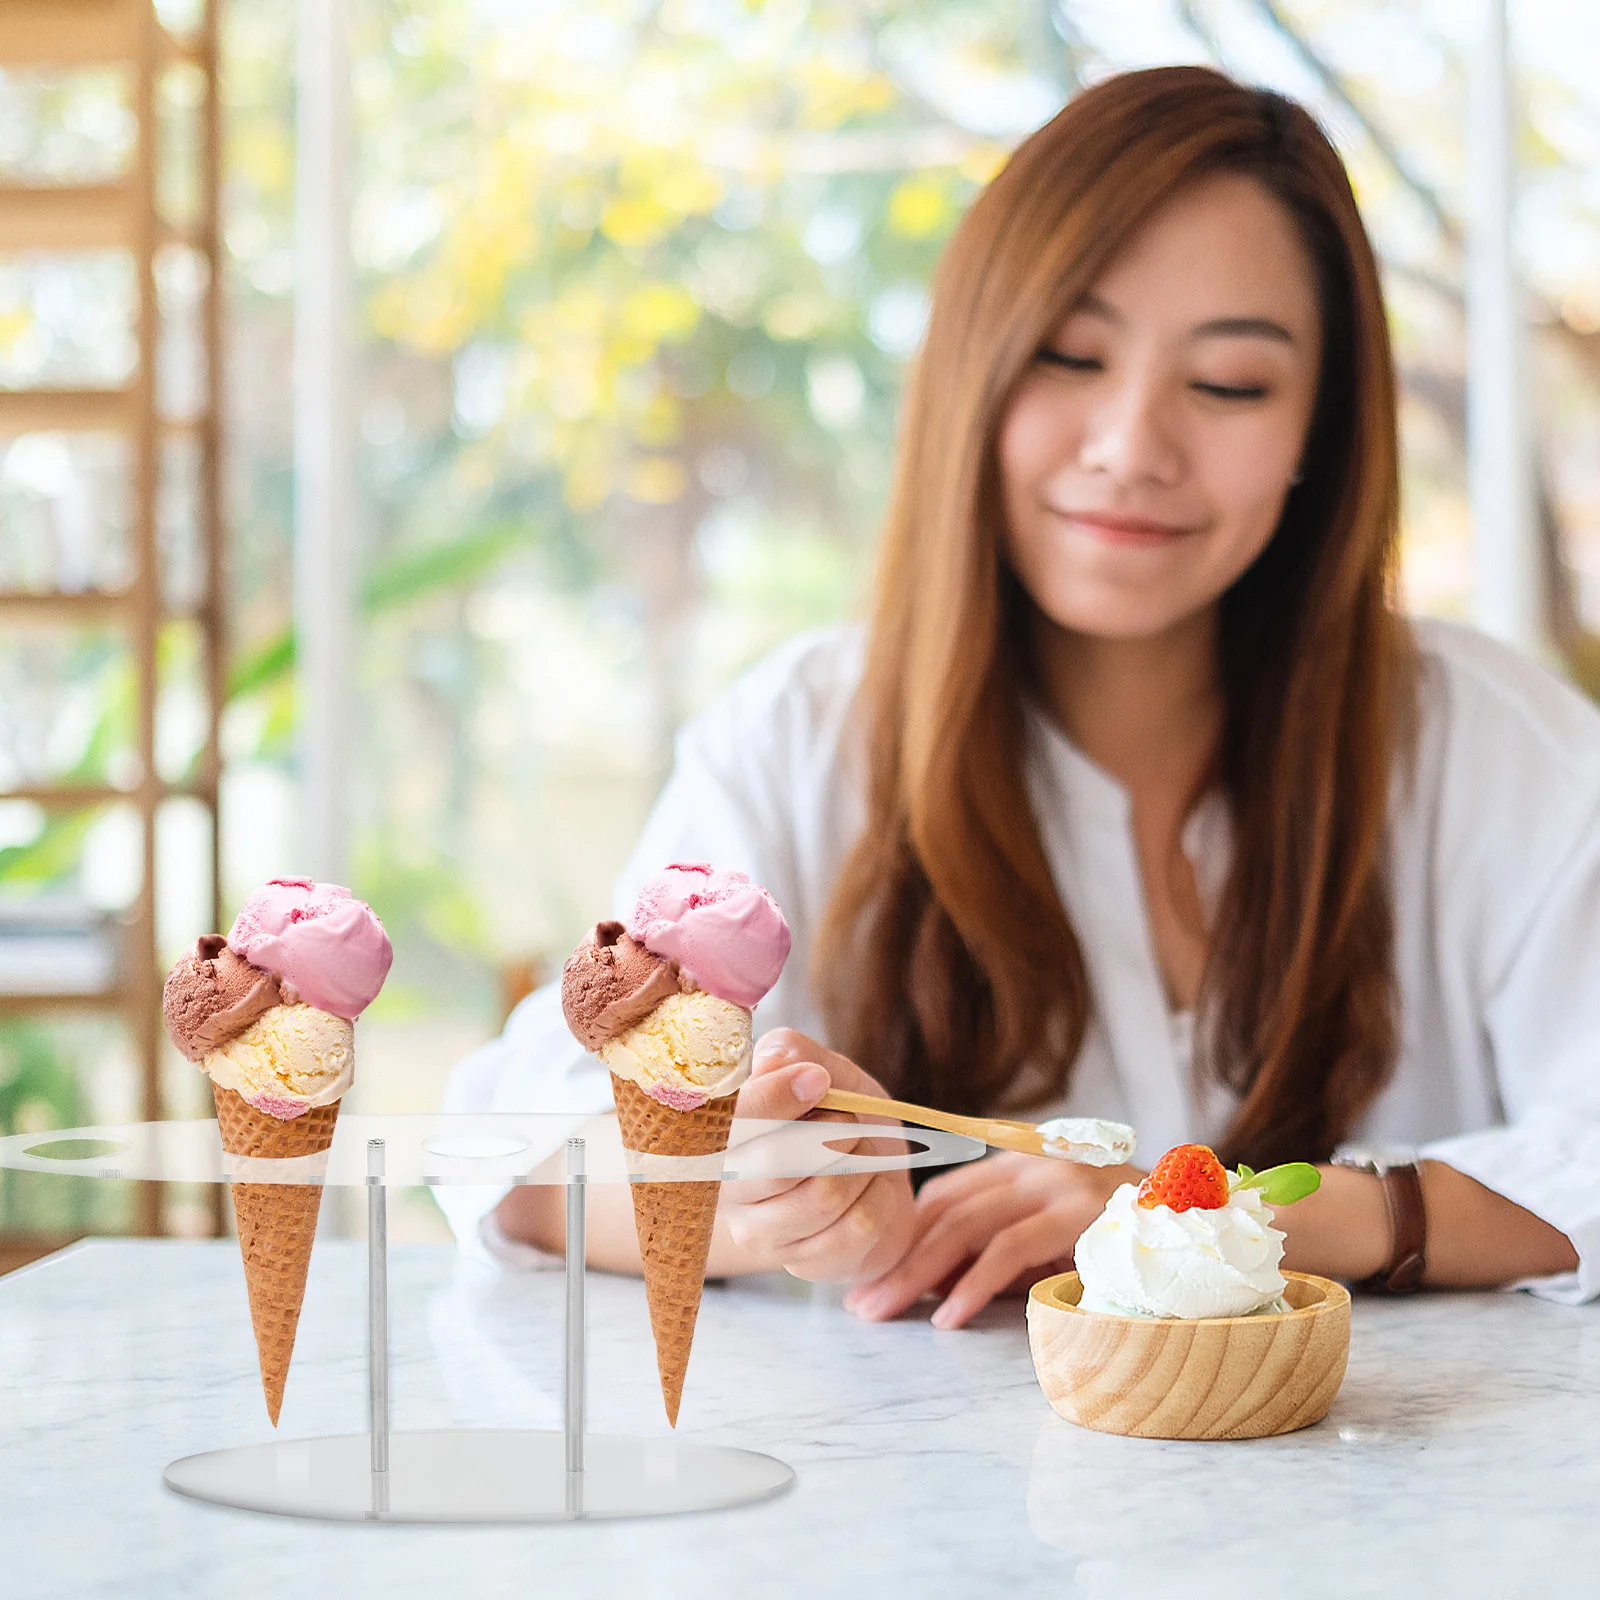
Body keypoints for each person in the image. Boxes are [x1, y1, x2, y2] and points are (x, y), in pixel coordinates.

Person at [440, 66, 1597, 1322]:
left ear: (1320, 428)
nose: (1130, 446)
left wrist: (1228, 1209)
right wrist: (763, 1197)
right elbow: (516, 1150)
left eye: (1228, 384)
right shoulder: (801, 740)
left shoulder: (1485, 742)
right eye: (1068, 355)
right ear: (967, 374)